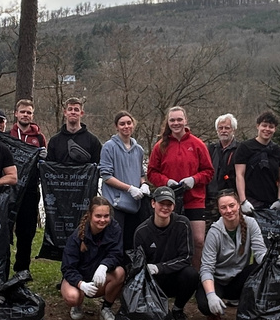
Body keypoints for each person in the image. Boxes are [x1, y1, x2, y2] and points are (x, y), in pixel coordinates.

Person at [147, 106, 213, 266]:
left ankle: (197, 278)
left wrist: (194, 179)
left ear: (185, 120)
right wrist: (166, 182)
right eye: (172, 120)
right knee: (170, 242)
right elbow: (151, 173)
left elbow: (209, 172)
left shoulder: (197, 144)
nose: (176, 123)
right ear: (168, 122)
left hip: (194, 200)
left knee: (198, 241)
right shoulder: (160, 146)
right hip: (168, 201)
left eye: (179, 119)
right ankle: (168, 274)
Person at [196, 190, 267, 320]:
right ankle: (214, 307)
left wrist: (270, 260)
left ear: (238, 205)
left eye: (231, 205)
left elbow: (260, 253)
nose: (228, 210)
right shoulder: (214, 232)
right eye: (223, 207)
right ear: (219, 210)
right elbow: (206, 268)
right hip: (218, 281)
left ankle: (253, 309)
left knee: (262, 267)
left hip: (239, 279)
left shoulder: (251, 223)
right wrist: (211, 295)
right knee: (204, 304)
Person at [134, 186, 196, 320]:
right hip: (153, 282)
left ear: (174, 206)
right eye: (162, 203)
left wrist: (159, 267)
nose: (165, 208)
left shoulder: (183, 223)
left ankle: (178, 310)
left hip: (176, 277)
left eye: (169, 204)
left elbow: (187, 257)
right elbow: (138, 265)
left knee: (191, 274)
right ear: (153, 203)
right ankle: (154, 309)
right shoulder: (141, 232)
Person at [60, 197, 126, 320]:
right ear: (90, 215)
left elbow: (117, 253)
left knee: (120, 272)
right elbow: (68, 267)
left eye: (106, 216)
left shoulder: (115, 229)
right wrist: (80, 284)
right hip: (78, 278)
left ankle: (106, 308)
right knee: (72, 297)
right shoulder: (76, 236)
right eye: (98, 216)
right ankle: (77, 305)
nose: (102, 220)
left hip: (100, 277)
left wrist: (104, 266)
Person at [100, 111, 150, 251]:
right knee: (115, 242)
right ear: (116, 127)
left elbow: (140, 174)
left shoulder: (139, 150)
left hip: (135, 204)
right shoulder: (109, 147)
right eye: (122, 124)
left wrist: (144, 184)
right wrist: (129, 188)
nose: (126, 126)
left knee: (132, 242)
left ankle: (129, 271)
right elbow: (106, 176)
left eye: (129, 123)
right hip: (116, 204)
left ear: (133, 125)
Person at [8, 98, 47, 274]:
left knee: (27, 232)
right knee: (4, 231)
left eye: (29, 112)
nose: (26, 115)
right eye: (22, 111)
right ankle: (0, 268)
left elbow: (45, 166)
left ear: (32, 115)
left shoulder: (39, 138)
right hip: (9, 190)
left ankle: (22, 270)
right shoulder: (8, 136)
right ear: (16, 114)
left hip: (30, 191)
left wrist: (45, 158)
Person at [233, 110, 280, 213]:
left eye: (271, 127)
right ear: (258, 126)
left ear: (275, 129)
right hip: (250, 201)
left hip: (271, 203)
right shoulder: (245, 147)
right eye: (264, 125)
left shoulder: (278, 151)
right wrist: (243, 201)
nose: (267, 129)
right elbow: (239, 174)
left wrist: (279, 200)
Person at [46, 97, 102, 164]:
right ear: (65, 113)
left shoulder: (93, 141)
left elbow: (98, 166)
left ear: (81, 113)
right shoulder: (54, 141)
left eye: (76, 110)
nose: (73, 112)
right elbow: (49, 168)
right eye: (70, 109)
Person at [207, 113, 240, 218]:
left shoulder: (240, 150)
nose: (223, 130)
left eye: (227, 128)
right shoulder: (211, 149)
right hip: (211, 199)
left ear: (233, 130)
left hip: (231, 199)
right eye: (220, 128)